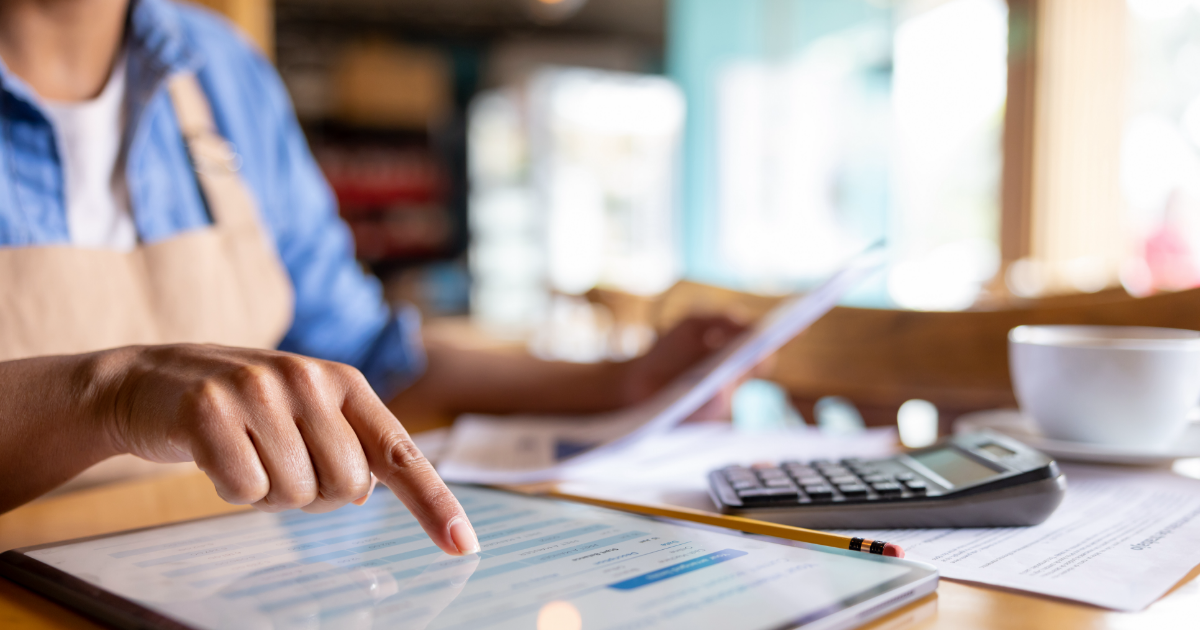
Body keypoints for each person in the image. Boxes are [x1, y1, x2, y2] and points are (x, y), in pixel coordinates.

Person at [0, 0, 746, 558]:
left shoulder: (221, 71)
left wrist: (623, 383)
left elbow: (368, 362)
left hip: (230, 585)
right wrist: (114, 394)